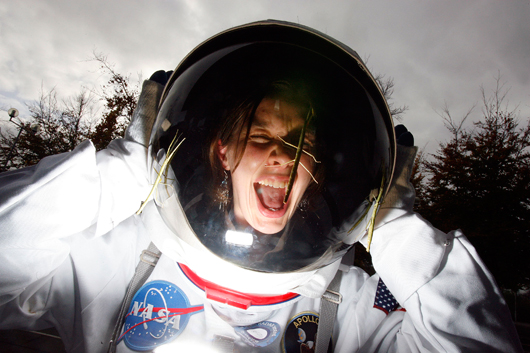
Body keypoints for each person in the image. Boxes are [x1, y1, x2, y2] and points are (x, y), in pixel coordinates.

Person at [0, 20, 523, 353]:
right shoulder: (116, 260)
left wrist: (393, 227)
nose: (284, 156)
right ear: (222, 153)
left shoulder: (350, 305)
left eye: (300, 143)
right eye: (260, 135)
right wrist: (130, 165)